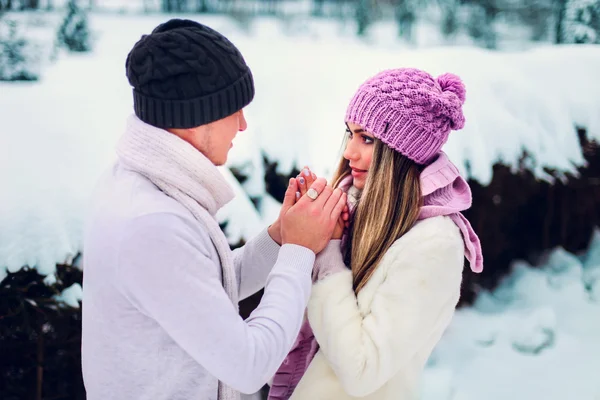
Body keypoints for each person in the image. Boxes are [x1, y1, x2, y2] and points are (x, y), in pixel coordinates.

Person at [81, 19, 347, 400]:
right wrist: (299, 251)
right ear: (194, 117)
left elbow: (202, 289)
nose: (242, 125)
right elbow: (249, 365)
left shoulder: (138, 184)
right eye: (233, 111)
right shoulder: (151, 223)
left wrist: (280, 238)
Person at [267, 68, 484, 400]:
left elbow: (362, 371)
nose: (348, 152)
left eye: (367, 139)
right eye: (349, 133)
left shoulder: (432, 245)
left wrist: (326, 255)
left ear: (403, 152)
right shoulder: (354, 209)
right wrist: (297, 238)